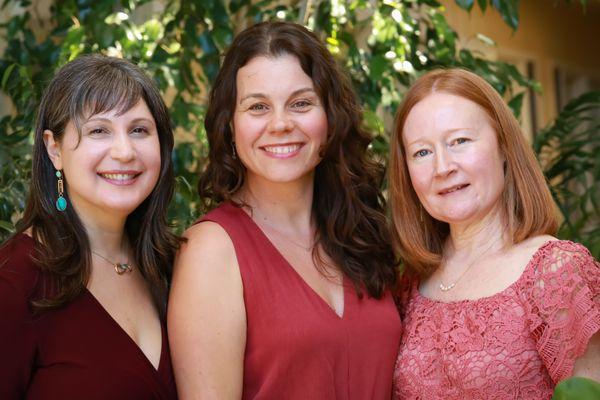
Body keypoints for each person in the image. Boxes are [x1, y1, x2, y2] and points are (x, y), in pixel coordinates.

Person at [168, 21, 401, 399]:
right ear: (230, 125)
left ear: (330, 117)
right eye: (258, 106)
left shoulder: (359, 232)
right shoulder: (211, 251)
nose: (280, 124)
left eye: (301, 103)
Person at [389, 68, 600, 399]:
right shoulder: (409, 285)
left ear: (503, 147)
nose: (442, 167)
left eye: (459, 141)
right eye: (422, 152)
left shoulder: (557, 273)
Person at [0, 55, 180, 399]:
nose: (125, 151)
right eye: (99, 130)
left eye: (139, 130)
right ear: (55, 149)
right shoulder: (14, 283)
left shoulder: (169, 266)